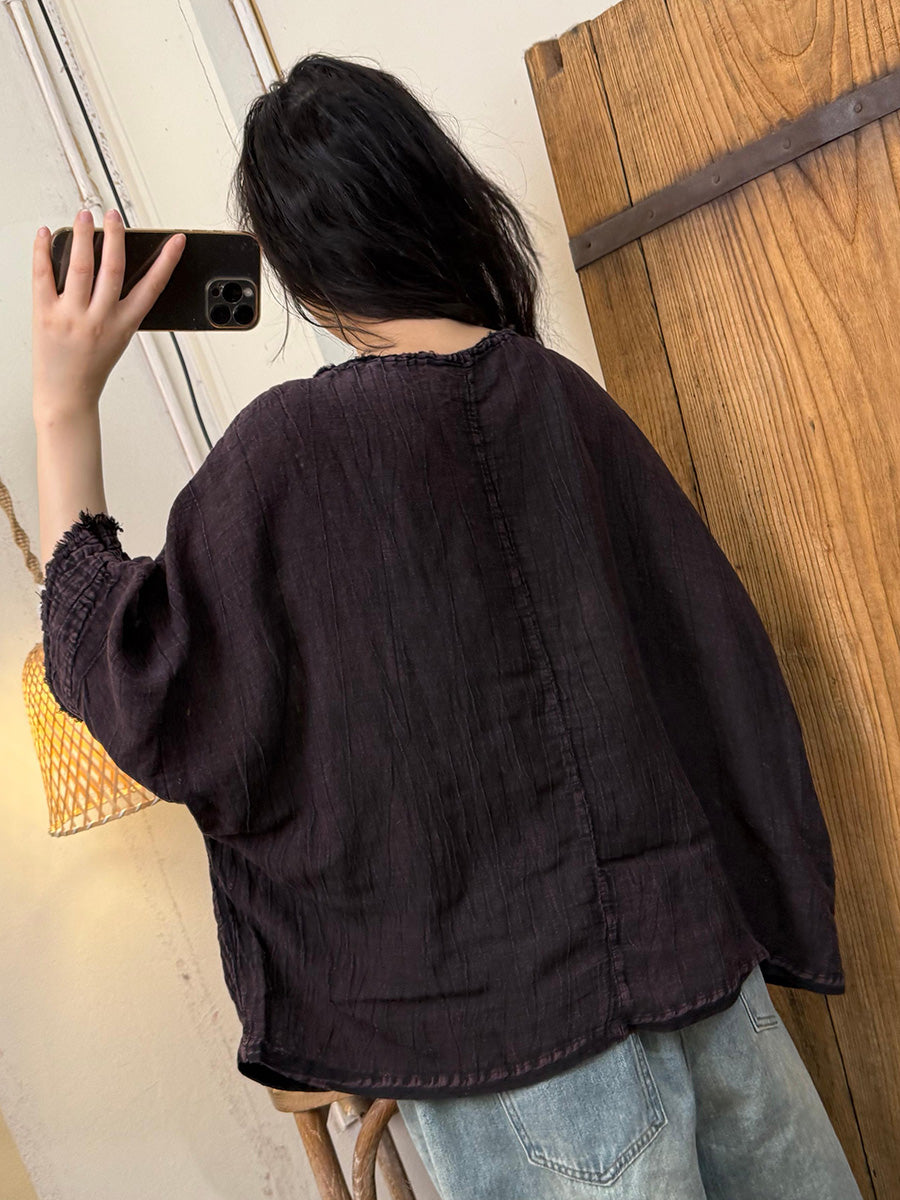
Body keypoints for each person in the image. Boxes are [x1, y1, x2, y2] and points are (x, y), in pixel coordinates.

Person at [35, 53, 863, 1199]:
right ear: (437, 198)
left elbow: (127, 673)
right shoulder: (563, 402)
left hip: (519, 1052)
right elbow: (717, 664)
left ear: (296, 266)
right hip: (711, 992)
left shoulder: (291, 457)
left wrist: (63, 404)